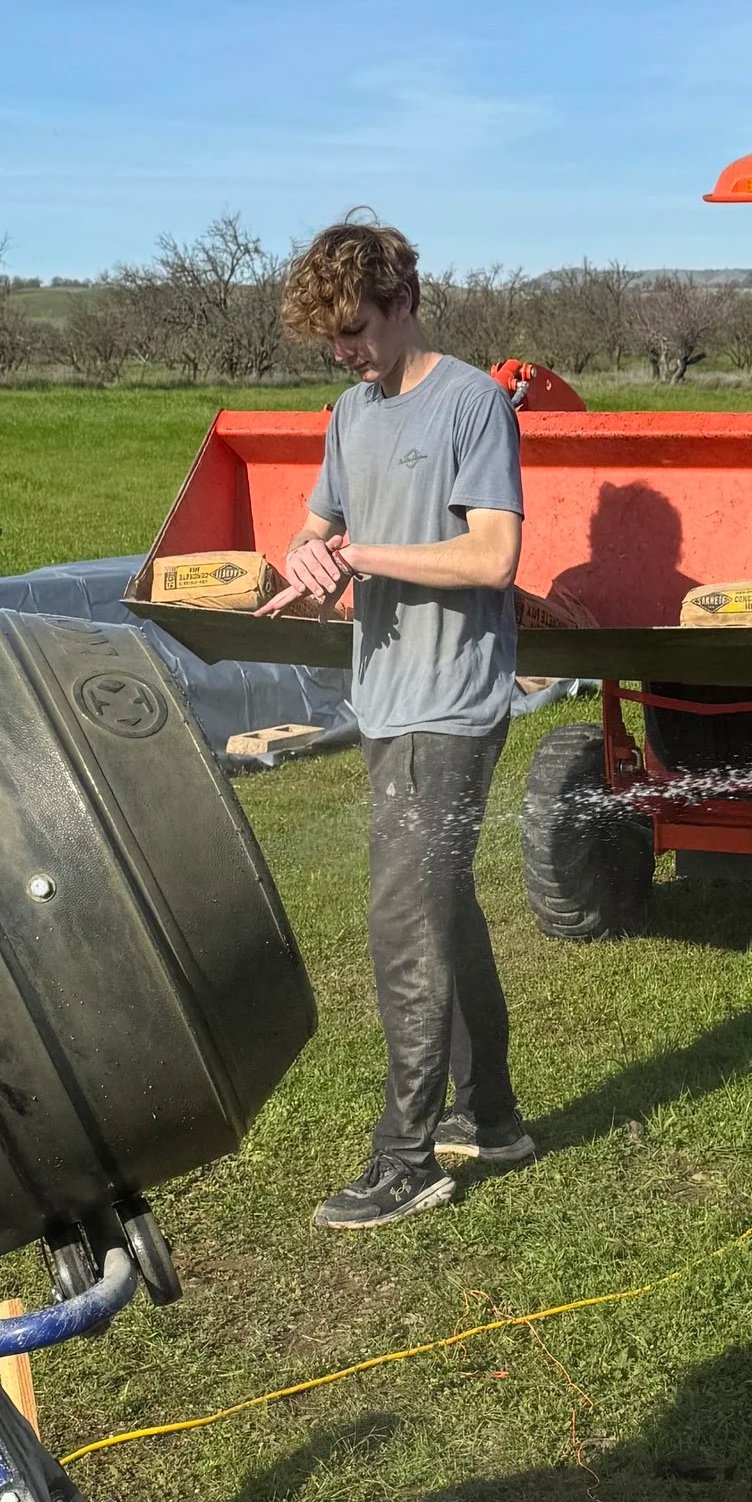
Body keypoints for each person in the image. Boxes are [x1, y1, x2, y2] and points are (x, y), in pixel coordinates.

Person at [279, 215, 538, 1229]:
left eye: (355, 329)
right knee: (443, 910)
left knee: (403, 930)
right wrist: (307, 558)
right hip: (383, 695)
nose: (344, 351)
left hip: (452, 702)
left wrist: (366, 555)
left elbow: (493, 558)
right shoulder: (351, 412)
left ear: (401, 303)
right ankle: (496, 1116)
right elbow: (320, 527)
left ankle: (406, 1157)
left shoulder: (471, 402)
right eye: (331, 337)